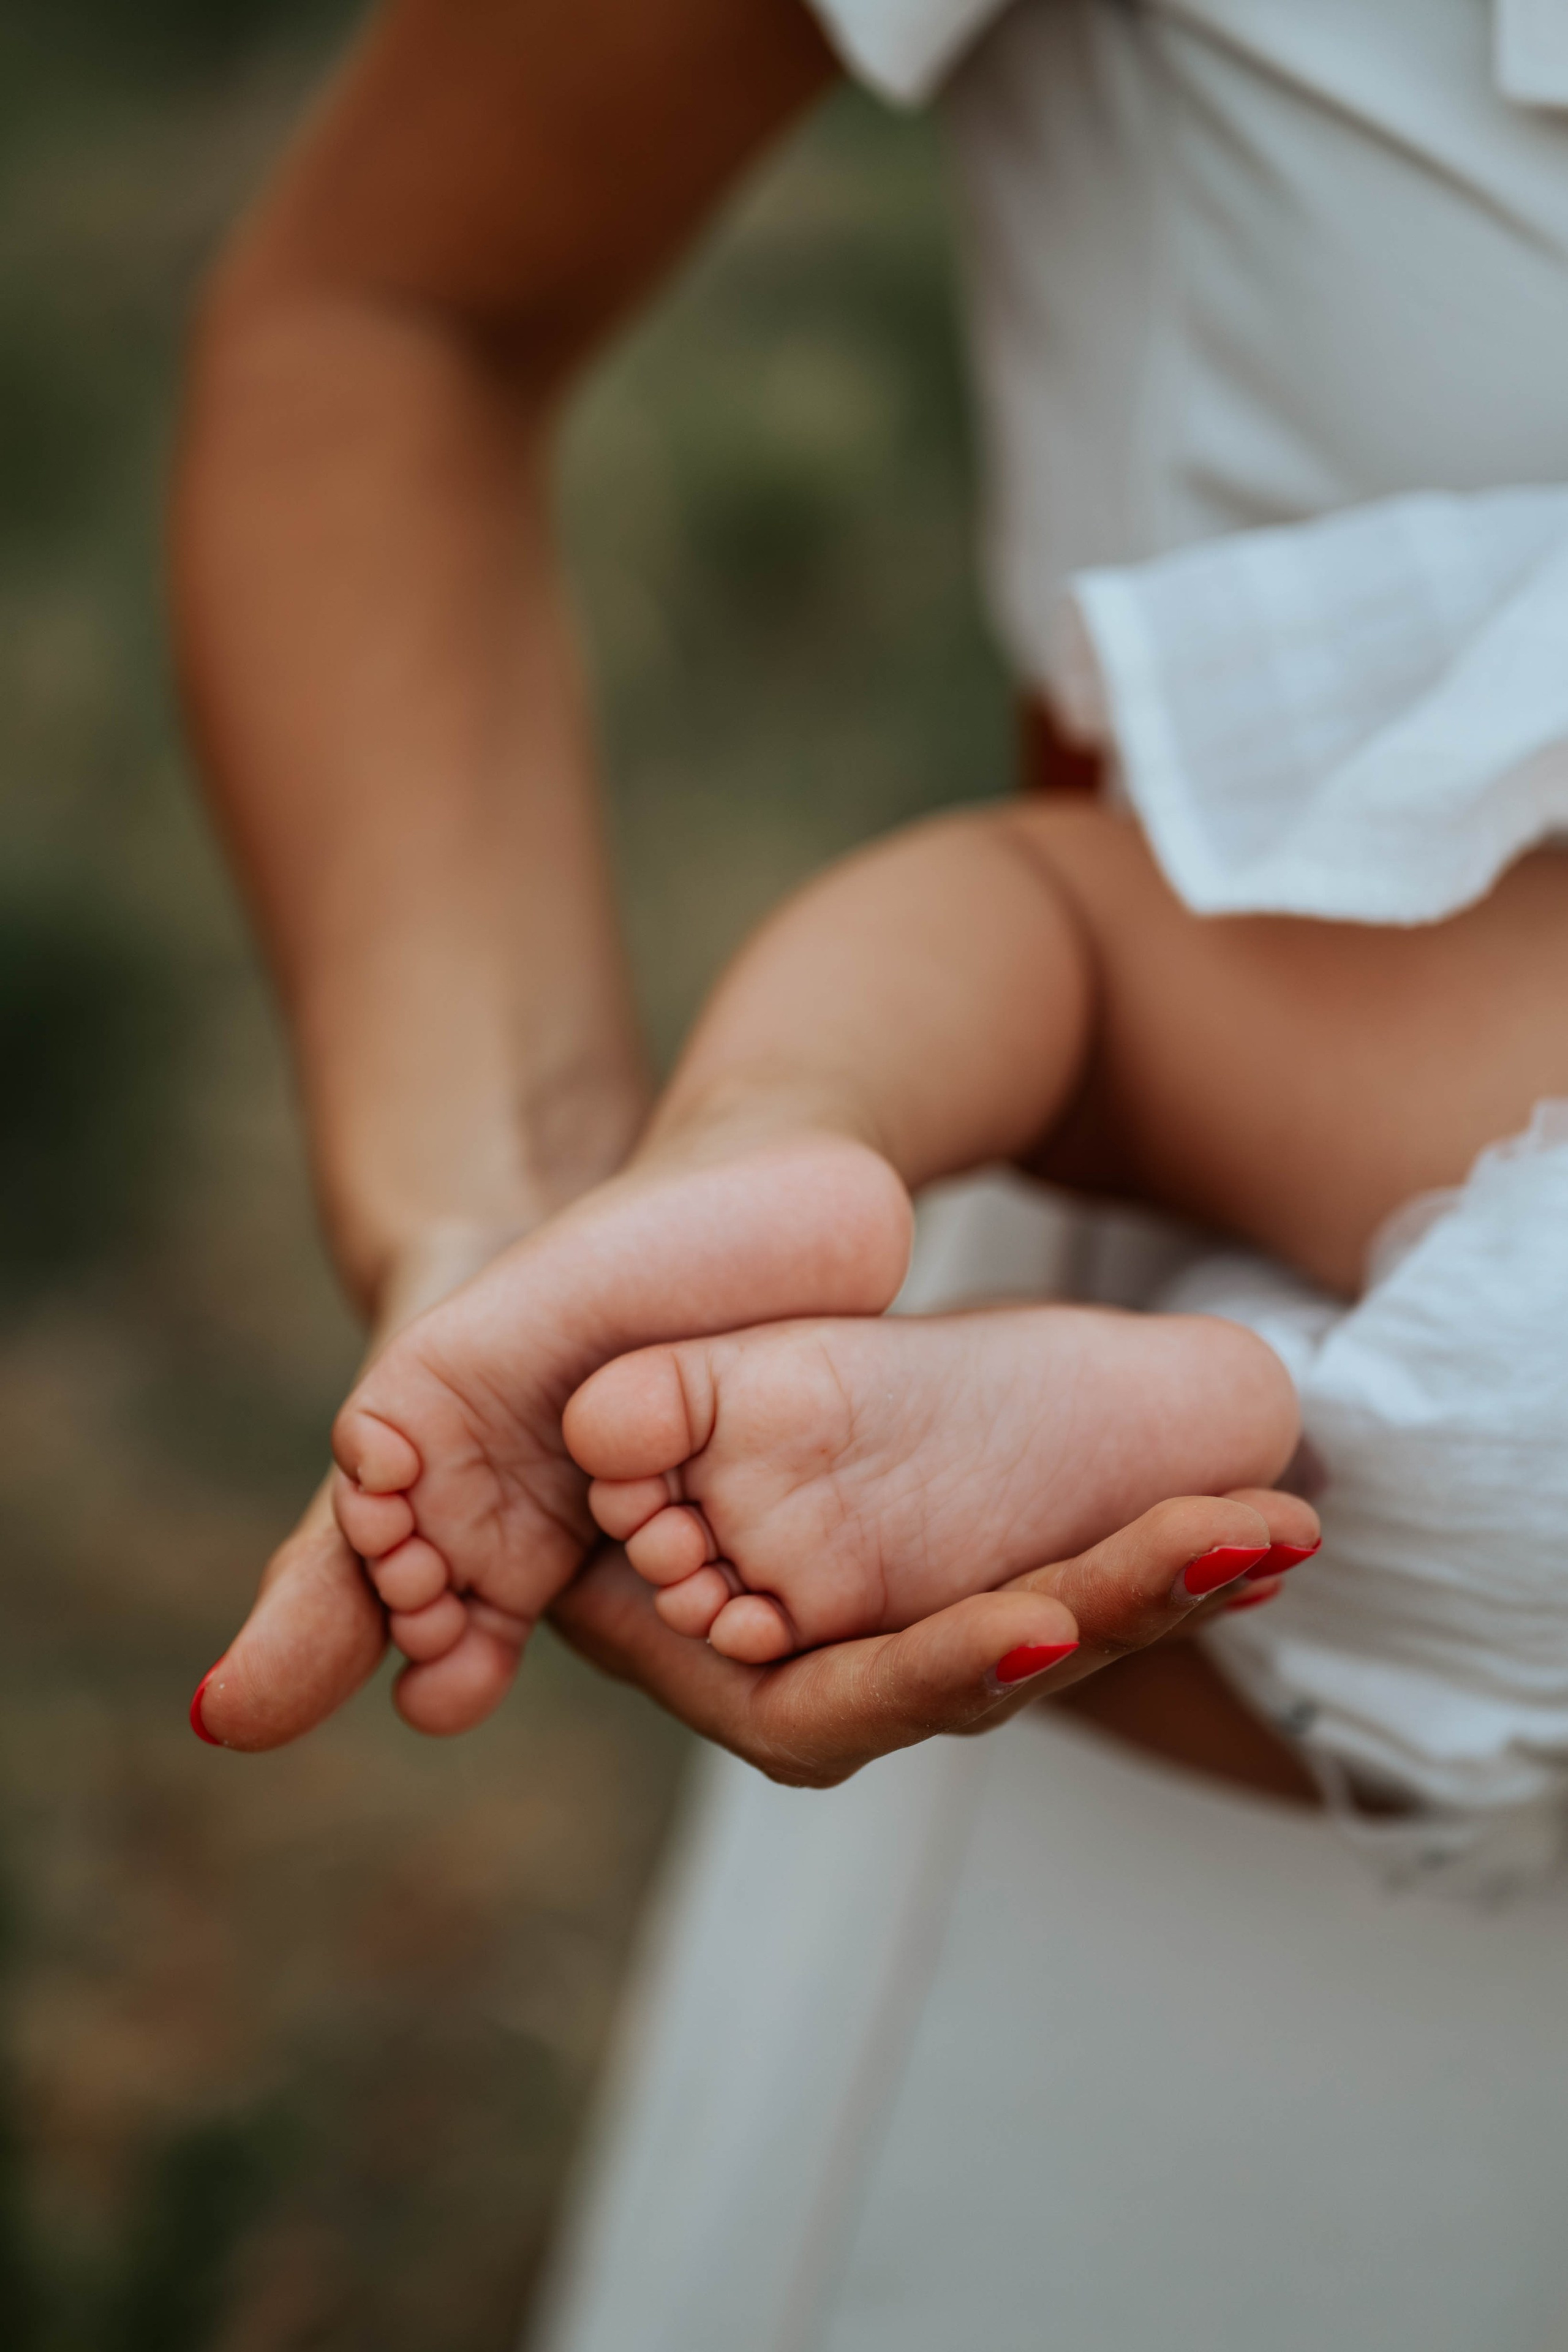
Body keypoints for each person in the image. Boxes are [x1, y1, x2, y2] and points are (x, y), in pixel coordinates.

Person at [174, 1, 1568, 2345]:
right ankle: (1042, 1308)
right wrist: (497, 1227)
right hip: (1222, 1830)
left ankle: (1240, 1395)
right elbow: (384, 315)